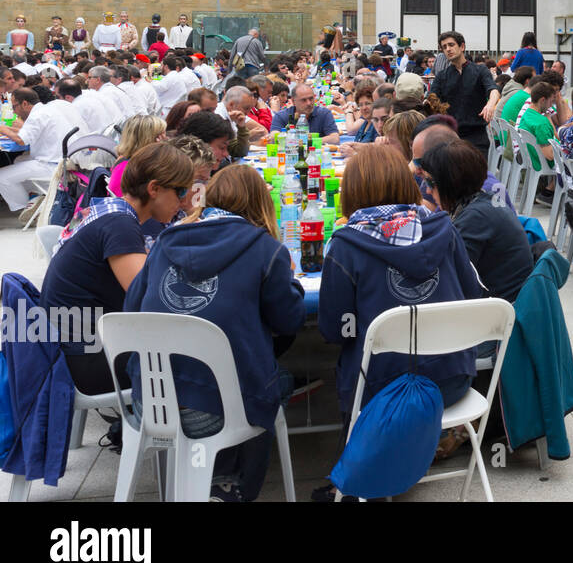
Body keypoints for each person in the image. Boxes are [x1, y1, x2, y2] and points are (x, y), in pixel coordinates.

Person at [124, 164, 305, 501]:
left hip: (149, 401)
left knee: (239, 377)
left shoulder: (165, 241)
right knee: (276, 382)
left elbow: (131, 310)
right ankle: (232, 487)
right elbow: (288, 321)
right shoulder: (266, 251)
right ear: (260, 205)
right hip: (216, 410)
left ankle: (212, 478)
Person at [319, 143, 483, 448]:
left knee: (348, 362)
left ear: (351, 190)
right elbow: (472, 297)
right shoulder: (444, 229)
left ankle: (358, 464)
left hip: (380, 388)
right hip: (451, 379)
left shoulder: (345, 245)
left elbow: (334, 330)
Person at [38, 142, 195, 394]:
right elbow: (151, 299)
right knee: (206, 360)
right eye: (182, 190)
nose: (187, 200)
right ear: (154, 188)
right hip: (87, 360)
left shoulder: (106, 210)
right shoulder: (120, 226)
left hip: (70, 347)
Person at [420, 140, 532, 302]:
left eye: (430, 182)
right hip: (505, 301)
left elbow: (449, 277)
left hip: (501, 313)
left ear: (451, 182)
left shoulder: (476, 218)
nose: (428, 190)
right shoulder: (484, 202)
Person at [0, 87, 85, 211]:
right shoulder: (46, 110)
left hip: (54, 166)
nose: (14, 112)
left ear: (24, 104)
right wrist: (7, 130)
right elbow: (26, 132)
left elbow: (21, 140)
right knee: (19, 160)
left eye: (14, 107)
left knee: (2, 176)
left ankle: (25, 209)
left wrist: (2, 129)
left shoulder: (37, 115)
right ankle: (35, 199)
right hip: (65, 161)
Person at [430, 31, 500, 155]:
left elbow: (493, 90)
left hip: (477, 136)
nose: (448, 49)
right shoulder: (441, 76)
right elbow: (431, 100)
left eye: (451, 45)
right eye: (444, 47)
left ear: (462, 46)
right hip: (450, 138)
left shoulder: (480, 70)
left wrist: (490, 105)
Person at [107, 113, 166, 196]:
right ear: (146, 139)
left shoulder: (132, 162)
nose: (164, 139)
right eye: (159, 136)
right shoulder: (129, 169)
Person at [270, 82, 340, 142]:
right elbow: (273, 137)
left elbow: (335, 138)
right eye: (303, 100)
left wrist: (307, 142)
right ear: (293, 101)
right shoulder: (281, 116)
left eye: (311, 98)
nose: (309, 103)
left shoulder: (324, 113)